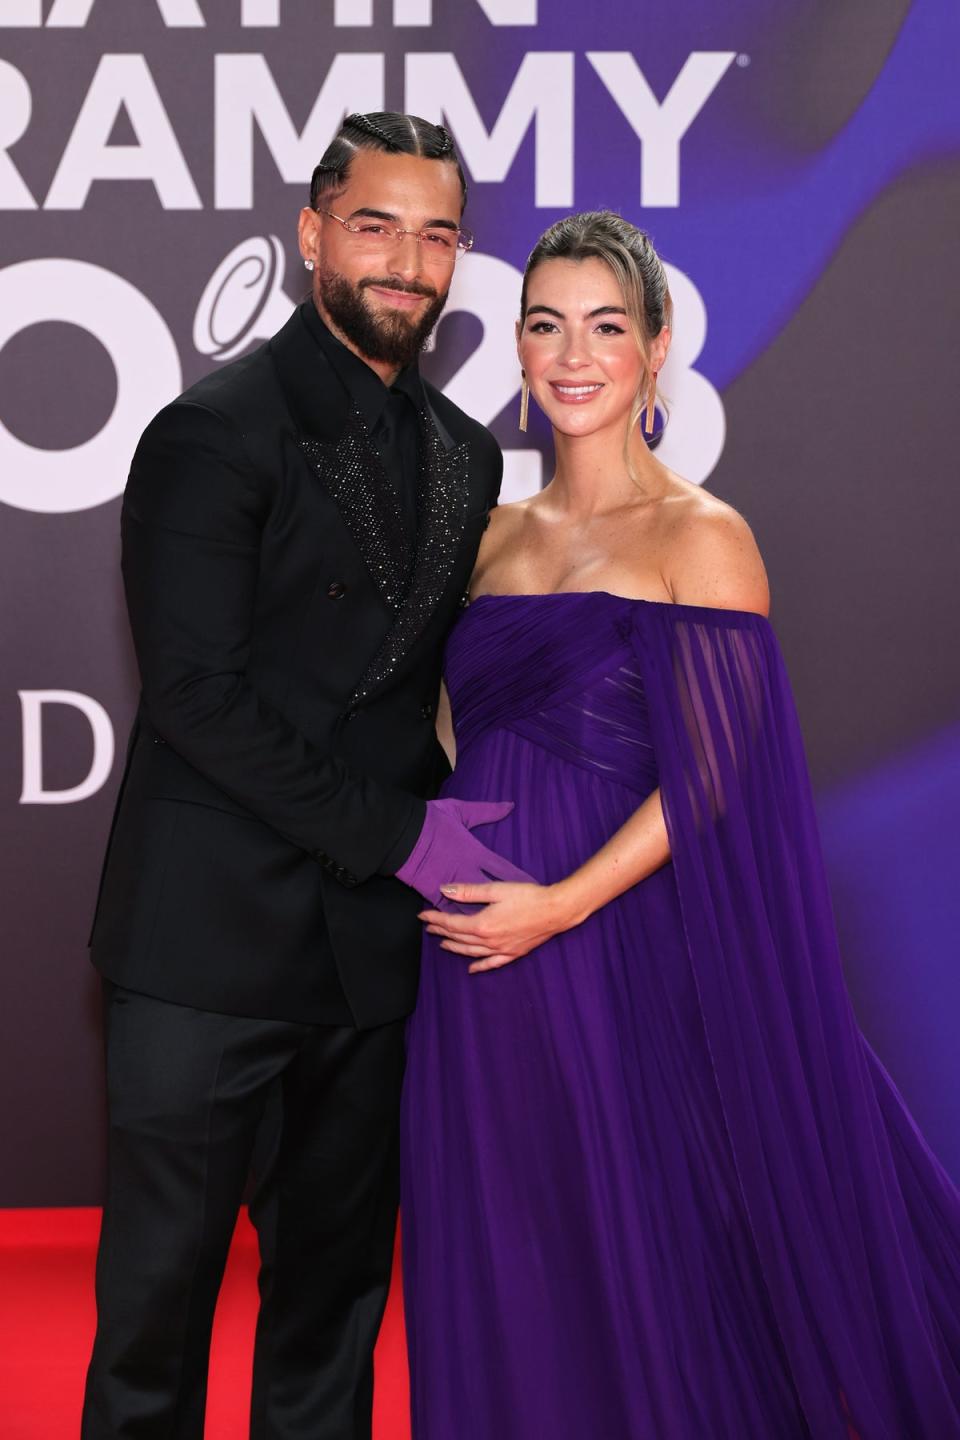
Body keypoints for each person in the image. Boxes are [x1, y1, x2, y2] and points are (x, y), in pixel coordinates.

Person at [400, 210, 960, 1438]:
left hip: (621, 937)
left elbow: (716, 772)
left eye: (606, 325)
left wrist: (561, 902)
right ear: (518, 346)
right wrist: (454, 871)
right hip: (482, 951)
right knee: (511, 1222)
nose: (572, 352)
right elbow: (443, 736)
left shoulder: (701, 537)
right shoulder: (489, 537)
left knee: (644, 1225)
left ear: (656, 352)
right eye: (544, 325)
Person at [82, 112, 514, 1440]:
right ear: (312, 231)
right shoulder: (211, 434)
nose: (407, 260)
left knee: (334, 1313)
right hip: (204, 951)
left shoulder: (465, 449)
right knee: (157, 1316)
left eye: (435, 234)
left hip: (367, 967)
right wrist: (404, 839)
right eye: (376, 225)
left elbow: (408, 700)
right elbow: (201, 700)